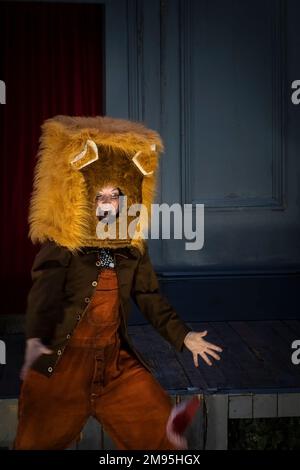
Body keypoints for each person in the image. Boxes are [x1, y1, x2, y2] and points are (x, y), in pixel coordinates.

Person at [13, 115, 222, 450]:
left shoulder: (131, 247)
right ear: (84, 197)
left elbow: (148, 294)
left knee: (163, 443)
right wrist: (36, 339)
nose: (108, 202)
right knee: (35, 442)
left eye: (116, 194)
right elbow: (44, 292)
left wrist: (183, 336)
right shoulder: (65, 244)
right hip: (64, 363)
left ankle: (162, 425)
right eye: (100, 195)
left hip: (113, 363)